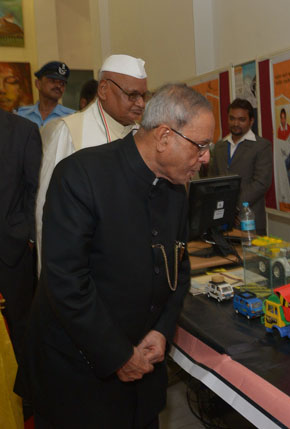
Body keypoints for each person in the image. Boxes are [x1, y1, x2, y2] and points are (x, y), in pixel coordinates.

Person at [16, 83, 213, 428]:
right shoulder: (81, 175)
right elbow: (66, 282)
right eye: (201, 146)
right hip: (78, 375)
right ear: (165, 137)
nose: (206, 157)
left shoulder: (176, 191)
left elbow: (178, 270)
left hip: (143, 372)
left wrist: (162, 331)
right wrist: (118, 355)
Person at [34, 54, 148, 275]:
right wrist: (50, 282)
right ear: (104, 90)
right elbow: (45, 212)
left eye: (144, 95)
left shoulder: (140, 135)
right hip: (84, 270)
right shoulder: (70, 131)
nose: (141, 104)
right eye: (132, 95)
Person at [0, 109, 41, 366]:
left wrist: (26, 234)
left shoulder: (23, 130)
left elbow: (35, 187)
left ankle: (28, 398)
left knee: (21, 327)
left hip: (12, 250)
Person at [209, 98, 273, 235]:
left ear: (251, 121)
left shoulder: (261, 146)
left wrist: (233, 206)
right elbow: (212, 179)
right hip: (221, 220)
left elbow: (261, 183)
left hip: (249, 220)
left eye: (241, 119)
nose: (235, 123)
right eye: (232, 118)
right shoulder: (219, 146)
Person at [16, 61, 75, 127]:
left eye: (62, 83)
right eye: (52, 81)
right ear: (38, 84)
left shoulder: (72, 117)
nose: (58, 86)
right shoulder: (21, 115)